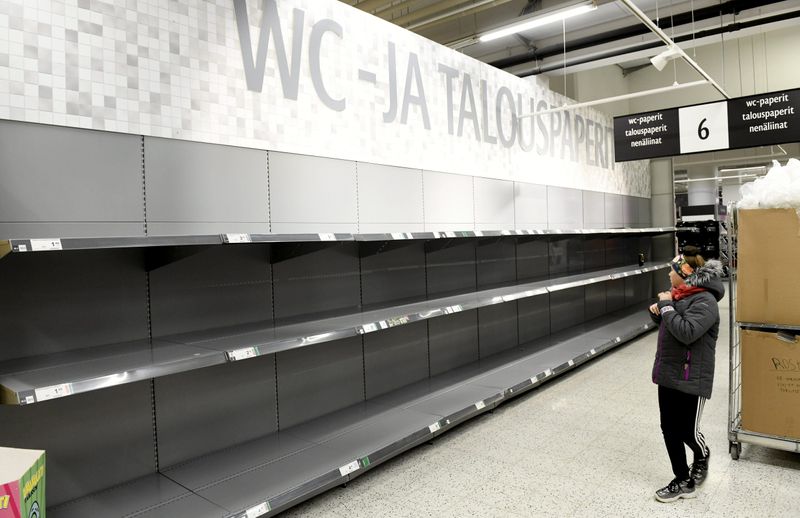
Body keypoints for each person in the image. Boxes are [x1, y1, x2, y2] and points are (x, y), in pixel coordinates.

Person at [648, 245, 725, 503]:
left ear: (685, 271)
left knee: (687, 432)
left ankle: (701, 455)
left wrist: (667, 307)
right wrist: (658, 312)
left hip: (693, 377)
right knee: (668, 428)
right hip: (669, 371)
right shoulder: (679, 295)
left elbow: (687, 332)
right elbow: (671, 327)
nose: (669, 274)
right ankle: (683, 480)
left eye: (672, 269)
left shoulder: (706, 301)